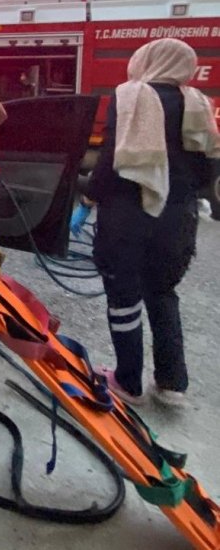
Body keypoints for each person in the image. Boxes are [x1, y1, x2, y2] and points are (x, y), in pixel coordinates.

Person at [72, 39, 219, 407]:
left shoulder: (132, 95)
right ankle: (172, 384)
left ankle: (127, 382)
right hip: (179, 217)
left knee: (123, 294)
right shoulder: (198, 103)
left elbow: (111, 157)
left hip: (129, 214)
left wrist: (89, 198)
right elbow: (208, 166)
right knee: (163, 293)